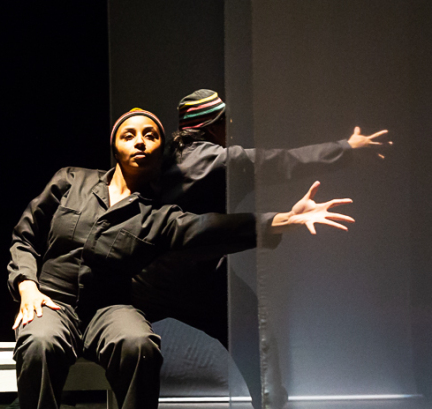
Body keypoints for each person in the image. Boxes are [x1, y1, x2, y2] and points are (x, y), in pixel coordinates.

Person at [7, 108, 355, 409]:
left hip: (110, 309)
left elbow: (208, 227)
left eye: (150, 136)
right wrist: (26, 285)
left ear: (161, 150)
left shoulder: (155, 215)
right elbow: (25, 236)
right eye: (129, 135)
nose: (140, 142)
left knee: (139, 344)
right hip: (52, 301)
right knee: (39, 343)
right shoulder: (71, 180)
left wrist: (283, 220)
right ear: (115, 146)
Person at [130, 89, 390, 408]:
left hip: (149, 276)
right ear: (214, 126)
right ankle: (269, 402)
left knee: (126, 339)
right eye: (227, 122)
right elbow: (284, 161)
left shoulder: (159, 158)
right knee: (255, 335)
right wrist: (347, 148)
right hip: (198, 280)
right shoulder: (222, 161)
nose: (231, 128)